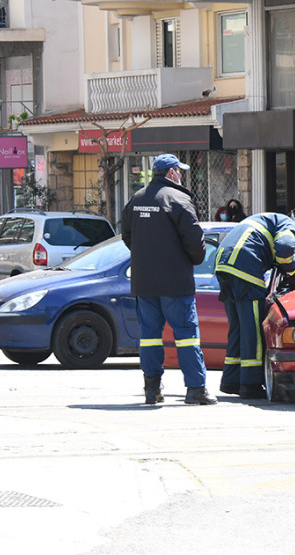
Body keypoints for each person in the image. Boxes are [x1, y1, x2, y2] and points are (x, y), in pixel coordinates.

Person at [121, 154, 217, 406]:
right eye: (180, 170)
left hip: (144, 282)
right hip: (175, 282)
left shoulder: (137, 198)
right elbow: (196, 242)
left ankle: (152, 390)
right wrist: (190, 259)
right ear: (172, 172)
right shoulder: (179, 199)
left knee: (150, 336)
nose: (181, 175)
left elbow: (127, 237)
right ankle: (195, 390)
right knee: (186, 335)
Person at [214, 213, 295, 399]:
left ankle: (231, 380)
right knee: (252, 329)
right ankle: (250, 384)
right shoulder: (288, 225)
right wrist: (294, 274)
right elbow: (285, 248)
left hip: (224, 263)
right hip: (244, 266)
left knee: (238, 328)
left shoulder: (269, 221)